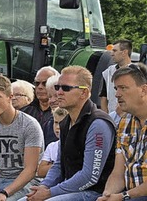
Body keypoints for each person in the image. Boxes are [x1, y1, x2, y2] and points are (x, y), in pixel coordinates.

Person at [24, 66, 116, 201]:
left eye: (66, 88)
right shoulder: (66, 121)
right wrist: (44, 186)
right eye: (57, 87)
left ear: (84, 93)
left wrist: (50, 193)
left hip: (96, 193)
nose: (59, 92)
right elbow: (59, 164)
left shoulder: (98, 124)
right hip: (69, 189)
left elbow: (90, 176)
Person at [98, 64, 147, 201]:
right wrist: (107, 195)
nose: (117, 94)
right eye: (116, 88)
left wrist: (123, 196)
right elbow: (118, 173)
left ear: (143, 90)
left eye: (123, 88)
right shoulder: (124, 122)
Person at [21, 66, 60, 146]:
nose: (40, 87)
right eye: (37, 83)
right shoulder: (24, 112)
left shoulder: (64, 113)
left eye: (45, 83)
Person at [100, 40, 132, 114]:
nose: (111, 54)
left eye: (115, 51)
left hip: (131, 118)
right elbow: (103, 97)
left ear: (124, 52)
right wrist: (106, 117)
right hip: (112, 118)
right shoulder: (108, 72)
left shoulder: (137, 72)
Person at [36, 108, 67, 178]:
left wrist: (51, 165)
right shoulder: (51, 146)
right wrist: (62, 165)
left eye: (62, 123)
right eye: (56, 123)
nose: (58, 127)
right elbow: (41, 171)